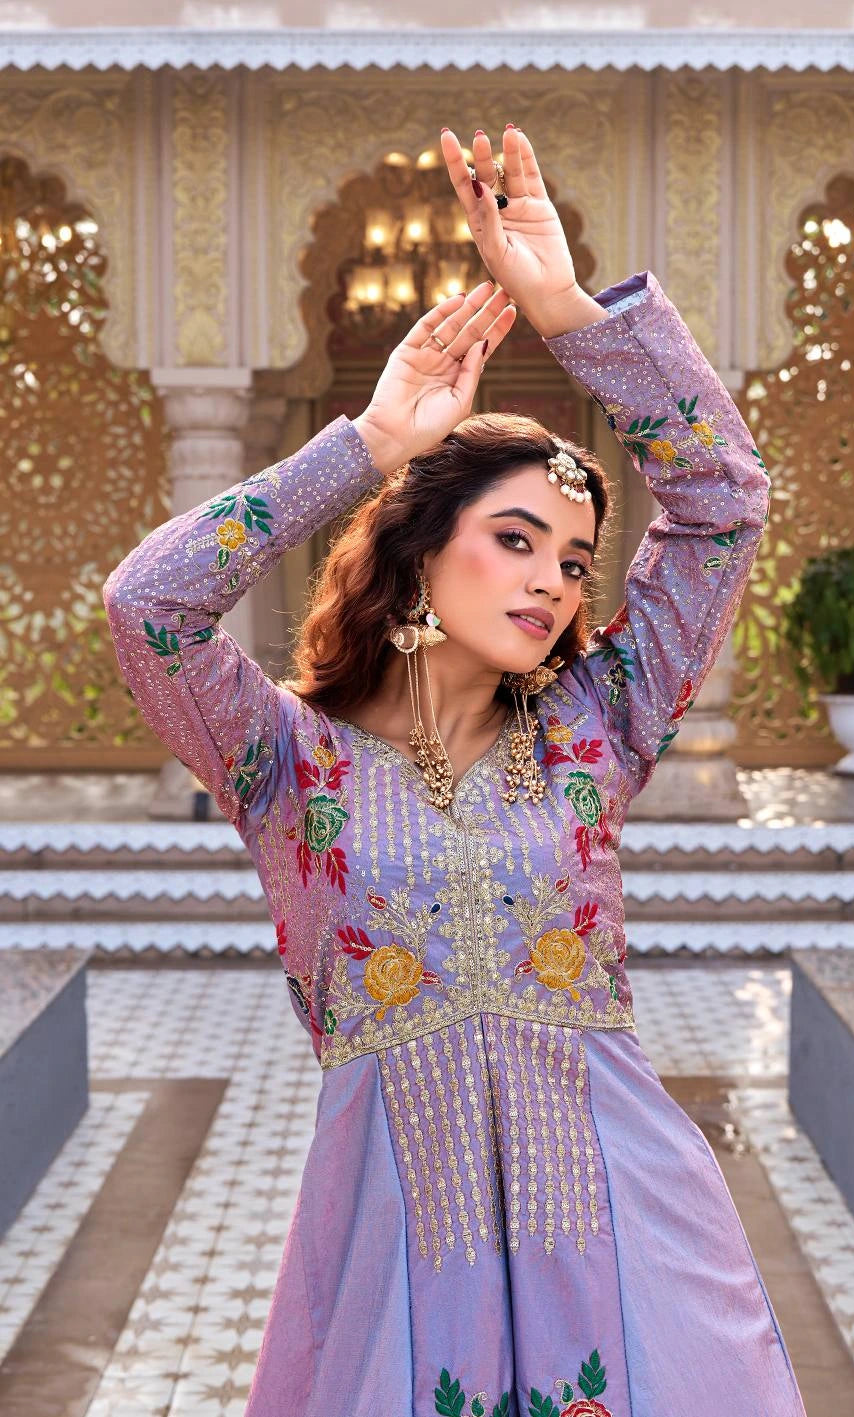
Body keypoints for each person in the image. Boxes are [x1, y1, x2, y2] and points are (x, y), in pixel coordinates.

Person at [103, 124, 805, 1417]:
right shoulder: (284, 763)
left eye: (576, 558)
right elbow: (149, 608)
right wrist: (360, 448)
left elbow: (723, 501)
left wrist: (568, 315)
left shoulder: (597, 730)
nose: (551, 577)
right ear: (421, 549)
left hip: (619, 1223)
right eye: (518, 538)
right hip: (394, 1247)